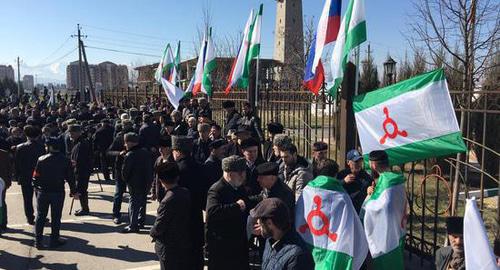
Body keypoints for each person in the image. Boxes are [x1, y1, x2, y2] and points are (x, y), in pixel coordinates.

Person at [206, 155, 251, 270]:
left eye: (244, 172)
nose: (243, 176)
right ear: (230, 174)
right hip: (222, 248)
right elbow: (212, 212)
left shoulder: (239, 186)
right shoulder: (217, 189)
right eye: (240, 173)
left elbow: (246, 202)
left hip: (238, 245)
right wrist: (236, 206)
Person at [32, 137, 77, 249]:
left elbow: (35, 177)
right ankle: (54, 239)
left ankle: (38, 241)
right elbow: (70, 178)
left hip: (43, 191)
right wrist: (74, 191)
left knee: (40, 216)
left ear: (50, 147)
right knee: (56, 217)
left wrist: (37, 187)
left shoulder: (41, 159)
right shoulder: (65, 160)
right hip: (57, 191)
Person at [171, 136, 205, 270]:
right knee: (196, 255)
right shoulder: (200, 167)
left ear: (177, 151)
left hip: (180, 221)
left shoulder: (176, 170)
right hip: (196, 217)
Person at [251, 198, 314, 270]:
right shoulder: (270, 240)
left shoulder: (298, 257)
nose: (257, 222)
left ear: (269, 223)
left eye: (260, 220)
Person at [150, 162, 192, 270]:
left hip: (168, 245)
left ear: (161, 180)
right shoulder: (185, 192)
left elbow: (159, 225)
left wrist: (153, 233)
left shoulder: (167, 200)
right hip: (183, 241)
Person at [121, 133, 153, 233]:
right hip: (145, 182)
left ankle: (133, 225)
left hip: (134, 183)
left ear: (130, 143)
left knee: (133, 204)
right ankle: (141, 221)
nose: (125, 144)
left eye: (126, 142)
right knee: (142, 203)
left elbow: (125, 172)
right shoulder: (145, 152)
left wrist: (125, 179)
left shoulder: (130, 154)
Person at [14, 125, 46, 225]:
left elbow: (17, 164)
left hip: (25, 175)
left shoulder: (20, 147)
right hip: (38, 175)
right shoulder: (41, 146)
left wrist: (17, 175)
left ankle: (29, 217)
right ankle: (41, 216)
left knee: (27, 199)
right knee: (40, 198)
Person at [107, 119, 134, 224]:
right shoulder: (119, 138)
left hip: (133, 169)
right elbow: (109, 152)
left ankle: (133, 214)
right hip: (121, 169)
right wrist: (119, 153)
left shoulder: (136, 137)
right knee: (119, 193)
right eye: (126, 125)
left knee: (134, 193)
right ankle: (116, 214)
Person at [69, 124, 92, 216]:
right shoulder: (77, 142)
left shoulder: (82, 143)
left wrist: (75, 170)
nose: (70, 134)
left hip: (81, 170)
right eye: (70, 132)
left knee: (82, 190)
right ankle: (84, 207)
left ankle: (85, 209)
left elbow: (79, 160)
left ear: (78, 132)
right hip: (80, 169)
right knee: (82, 189)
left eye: (72, 132)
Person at [152, 137, 173, 202]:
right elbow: (155, 177)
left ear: (169, 148)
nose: (160, 150)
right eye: (159, 148)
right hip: (160, 193)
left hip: (170, 194)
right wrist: (154, 191)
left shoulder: (173, 161)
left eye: (162, 148)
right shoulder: (158, 160)